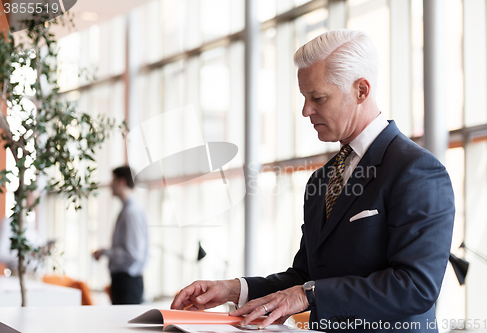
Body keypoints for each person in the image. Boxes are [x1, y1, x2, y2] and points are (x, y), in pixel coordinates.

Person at [171, 29, 454, 332]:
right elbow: (306, 276)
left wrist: (308, 295)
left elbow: (415, 287)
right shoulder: (322, 178)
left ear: (361, 90)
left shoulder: (416, 170)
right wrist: (233, 289)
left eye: (318, 97)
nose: (306, 111)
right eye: (304, 98)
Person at [93, 166, 149, 305]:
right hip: (124, 282)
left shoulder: (131, 212)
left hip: (127, 283)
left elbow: (134, 254)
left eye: (113, 180)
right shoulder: (128, 210)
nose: (110, 185)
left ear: (122, 182)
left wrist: (106, 252)